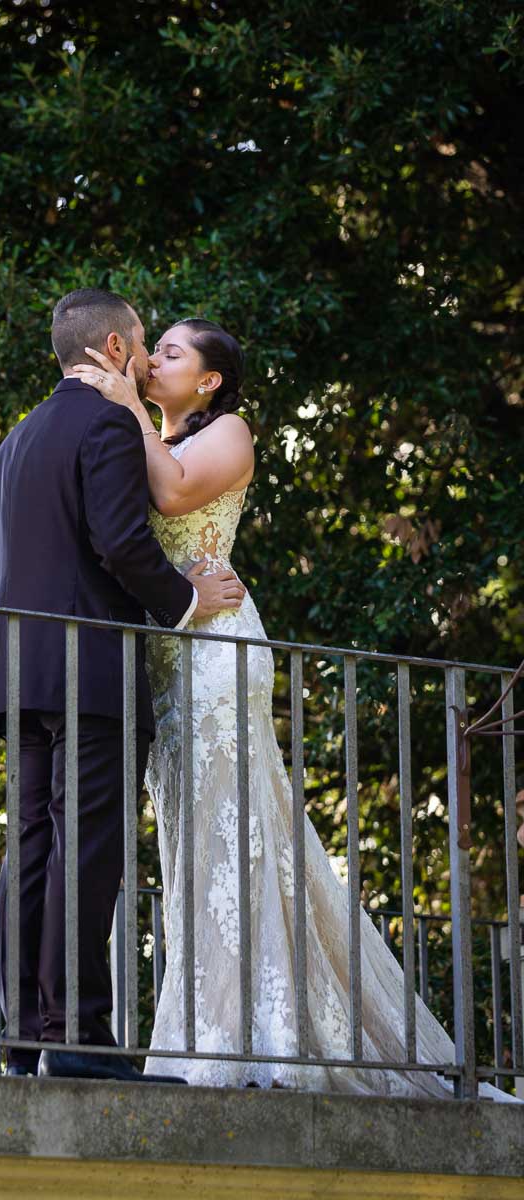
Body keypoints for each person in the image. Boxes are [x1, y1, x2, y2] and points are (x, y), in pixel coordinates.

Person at [69, 318, 517, 1100]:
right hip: (167, 660)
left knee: (232, 832)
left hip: (216, 651)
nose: (153, 360)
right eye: (156, 347)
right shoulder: (140, 430)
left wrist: (125, 406)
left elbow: (173, 491)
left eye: (172, 352)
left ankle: (252, 1037)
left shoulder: (231, 432)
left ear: (209, 381)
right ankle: (205, 1025)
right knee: (192, 849)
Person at [0, 291, 246, 1082]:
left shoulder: (16, 440)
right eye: (145, 343)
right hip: (89, 668)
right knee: (86, 851)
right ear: (120, 347)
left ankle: (20, 1040)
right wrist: (190, 601)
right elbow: (123, 544)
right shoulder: (108, 425)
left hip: (16, 668)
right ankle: (80, 1037)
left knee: (28, 852)